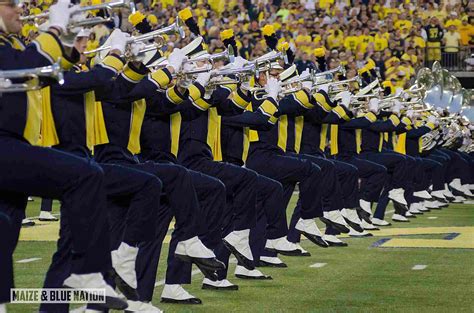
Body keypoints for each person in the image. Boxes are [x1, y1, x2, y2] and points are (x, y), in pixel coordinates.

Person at [0, 0, 126, 310]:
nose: (19, 9)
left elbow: (44, 72)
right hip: (7, 145)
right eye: (9, 4)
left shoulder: (11, 44)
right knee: (86, 176)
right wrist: (54, 29)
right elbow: (24, 69)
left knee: (3, 231)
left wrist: (69, 39)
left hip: (15, 146)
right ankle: (87, 271)